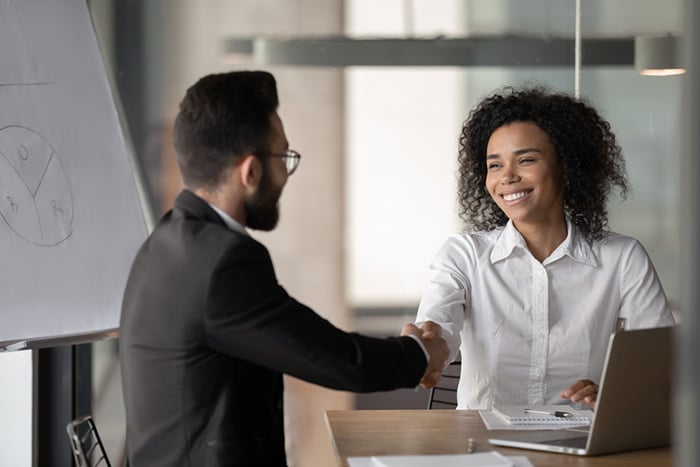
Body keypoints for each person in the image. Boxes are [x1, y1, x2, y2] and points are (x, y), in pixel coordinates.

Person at [119, 70, 448, 467]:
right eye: (284, 158)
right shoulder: (223, 262)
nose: (285, 175)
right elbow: (339, 359)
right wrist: (420, 354)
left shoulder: (164, 244)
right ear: (251, 172)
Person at [415, 86, 675, 410]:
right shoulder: (464, 254)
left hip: (580, 446)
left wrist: (613, 391)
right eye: (494, 165)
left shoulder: (622, 258)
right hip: (484, 447)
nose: (507, 177)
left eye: (525, 160)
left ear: (566, 166)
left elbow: (659, 362)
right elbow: (438, 330)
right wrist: (426, 351)